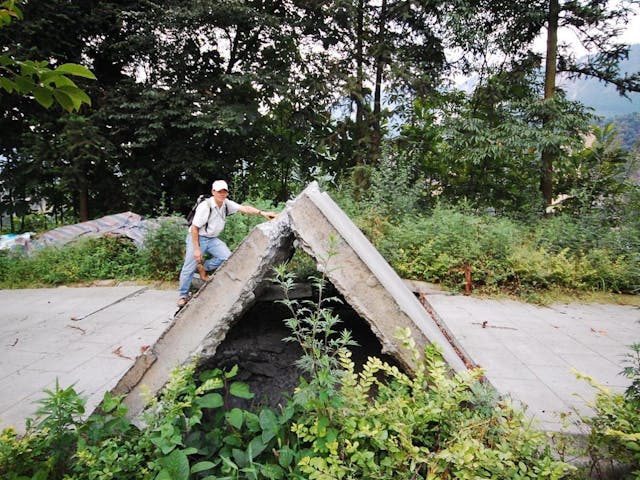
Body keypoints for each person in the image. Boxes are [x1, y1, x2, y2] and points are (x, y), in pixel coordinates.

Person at [177, 180, 277, 307]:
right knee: (189, 267)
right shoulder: (205, 206)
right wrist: (196, 250)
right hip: (197, 237)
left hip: (212, 239)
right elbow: (195, 228)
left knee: (227, 257)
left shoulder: (226, 204)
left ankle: (203, 267)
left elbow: (244, 208)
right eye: (219, 192)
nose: (222, 194)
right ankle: (183, 296)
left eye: (224, 191)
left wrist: (262, 213)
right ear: (213, 192)